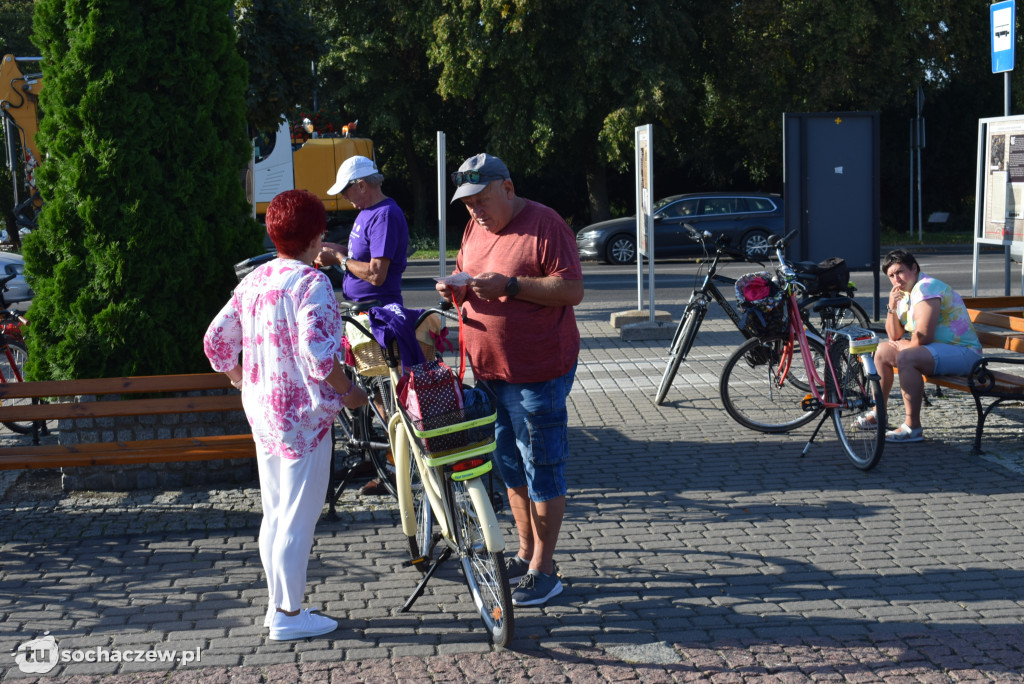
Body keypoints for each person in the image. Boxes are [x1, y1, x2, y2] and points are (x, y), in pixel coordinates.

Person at [204, 189, 369, 641]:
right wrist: (351, 393)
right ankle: (290, 616)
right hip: (305, 420)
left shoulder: (255, 280)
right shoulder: (310, 283)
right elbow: (319, 358)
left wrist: (239, 377)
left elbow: (215, 341)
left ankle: (278, 604)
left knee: (275, 513)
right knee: (298, 518)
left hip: (263, 413)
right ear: (317, 236)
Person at [435, 153, 584, 607]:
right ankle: (524, 552)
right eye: (467, 203)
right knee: (511, 467)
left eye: (482, 199)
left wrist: (512, 286)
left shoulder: (545, 223)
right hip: (489, 373)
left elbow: (572, 289)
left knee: (543, 470)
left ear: (508, 187)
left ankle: (546, 568)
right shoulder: (474, 227)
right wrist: (456, 287)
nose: (476, 210)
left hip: (537, 373)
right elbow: (472, 272)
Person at [860, 249, 982, 442]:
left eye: (900, 272)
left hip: (964, 353)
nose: (896, 279)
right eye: (891, 275)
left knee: (907, 358)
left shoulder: (927, 288)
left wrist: (905, 347)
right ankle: (879, 414)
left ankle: (912, 427)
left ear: (914, 268)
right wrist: (892, 306)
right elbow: (894, 335)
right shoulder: (906, 294)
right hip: (936, 351)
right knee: (883, 351)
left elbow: (923, 337)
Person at [316, 155, 409, 307]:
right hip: (364, 309)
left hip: (377, 311)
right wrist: (338, 250)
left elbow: (376, 275)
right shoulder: (367, 211)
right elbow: (364, 254)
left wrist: (339, 259)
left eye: (344, 190)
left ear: (362, 186)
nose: (343, 197)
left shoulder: (384, 215)